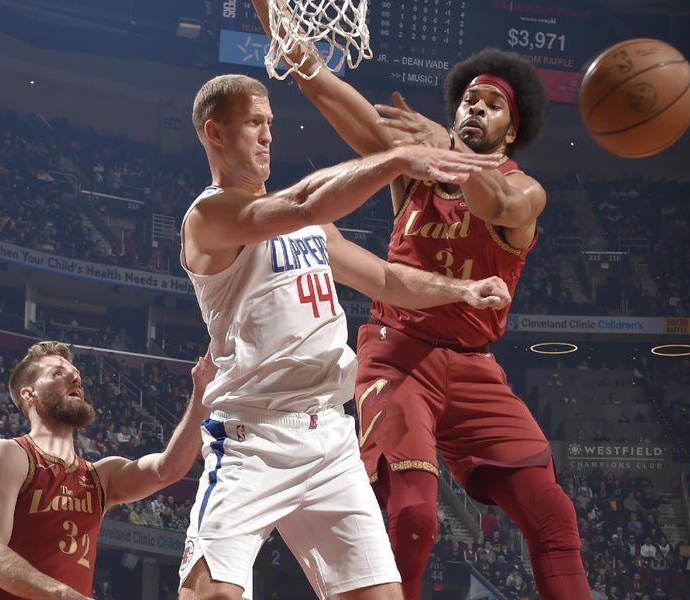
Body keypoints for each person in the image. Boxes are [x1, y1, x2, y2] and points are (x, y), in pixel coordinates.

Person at [250, 4, 590, 598]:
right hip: (398, 355)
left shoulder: (524, 189)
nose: (474, 107)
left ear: (510, 130)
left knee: (554, 516)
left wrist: (451, 153)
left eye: (492, 103)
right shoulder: (413, 166)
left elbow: (498, 207)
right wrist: (272, 15)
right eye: (469, 100)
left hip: (475, 368)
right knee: (414, 516)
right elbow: (322, 86)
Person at [178, 73, 512, 600]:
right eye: (253, 124)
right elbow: (306, 204)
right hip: (253, 438)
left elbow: (381, 278)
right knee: (213, 594)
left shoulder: (310, 222)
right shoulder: (209, 216)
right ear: (214, 132)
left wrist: (461, 290)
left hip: (331, 438)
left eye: (270, 124)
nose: (267, 135)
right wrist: (397, 159)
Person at [0, 341, 217, 600]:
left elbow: (167, 470)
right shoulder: (10, 453)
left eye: (75, 373)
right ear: (29, 394)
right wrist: (63, 594)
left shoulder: (100, 476)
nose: (75, 377)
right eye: (57, 374)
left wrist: (202, 396)